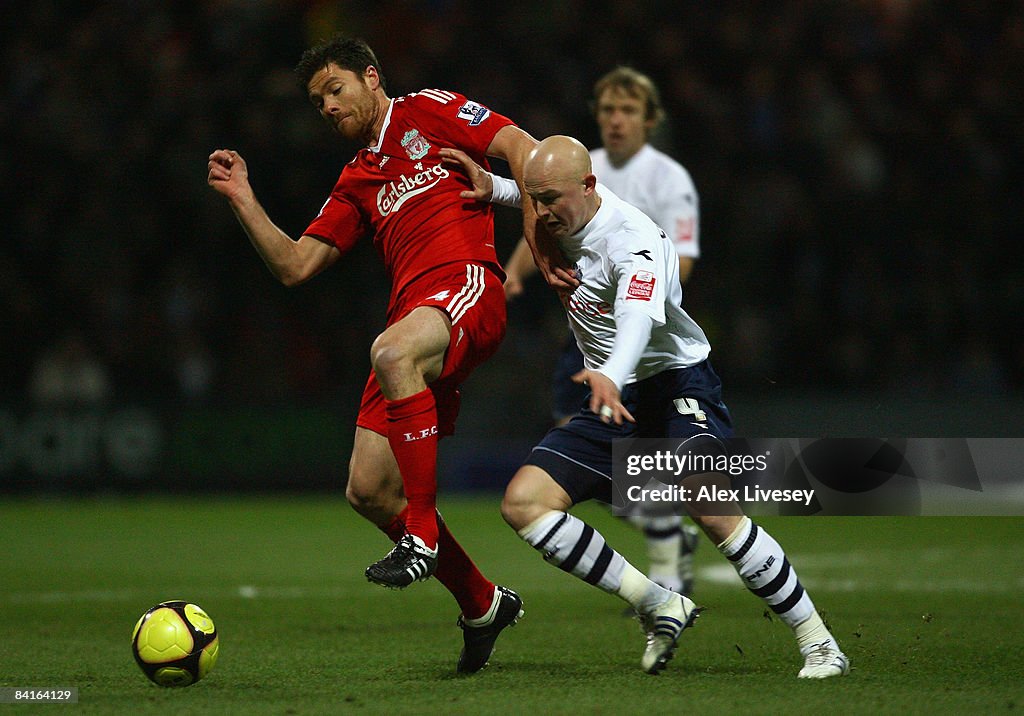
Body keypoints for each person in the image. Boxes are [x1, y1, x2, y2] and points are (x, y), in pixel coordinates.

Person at [441, 136, 850, 678]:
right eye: (534, 199)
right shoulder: (566, 208)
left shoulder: (632, 242)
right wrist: (496, 187)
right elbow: (541, 195)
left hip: (676, 386)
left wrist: (609, 372)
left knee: (710, 506)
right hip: (617, 394)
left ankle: (819, 642)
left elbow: (636, 320)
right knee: (525, 503)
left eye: (549, 199)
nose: (540, 212)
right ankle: (657, 601)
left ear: (589, 187)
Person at [207, 35, 545, 674]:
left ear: (371, 78)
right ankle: (482, 602)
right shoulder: (357, 178)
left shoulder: (428, 110)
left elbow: (520, 148)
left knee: (390, 353)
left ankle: (420, 530)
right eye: (317, 103)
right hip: (414, 325)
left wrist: (536, 240)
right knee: (366, 491)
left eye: (335, 91)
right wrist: (243, 198)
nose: (328, 108)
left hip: (467, 285)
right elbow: (295, 265)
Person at [503, 67, 701, 596]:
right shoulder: (571, 165)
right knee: (588, 453)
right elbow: (546, 219)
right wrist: (514, 274)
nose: (616, 120)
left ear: (649, 121)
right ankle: (664, 539)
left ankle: (665, 557)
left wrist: (637, 307)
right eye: (608, 109)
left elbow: (677, 261)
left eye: (629, 110)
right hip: (589, 338)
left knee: (624, 459)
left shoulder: (669, 181)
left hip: (642, 333)